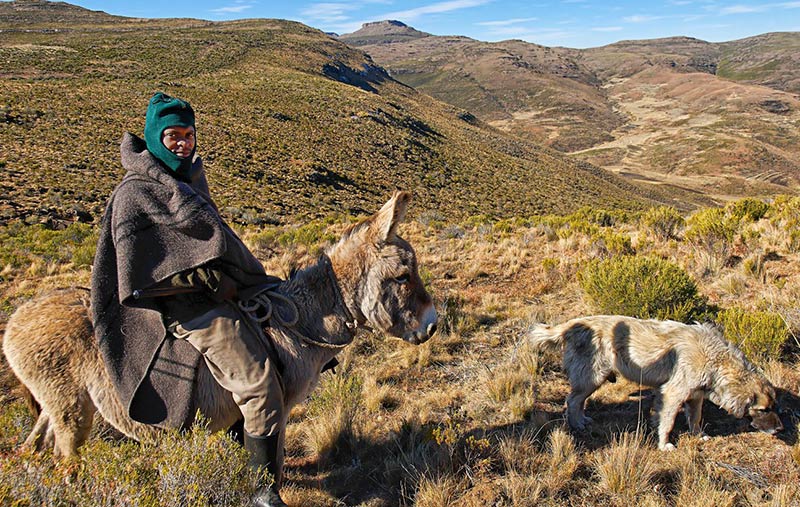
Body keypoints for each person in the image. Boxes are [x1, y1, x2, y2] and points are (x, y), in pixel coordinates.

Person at [91, 92, 286, 507]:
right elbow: (137, 272)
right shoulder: (135, 193)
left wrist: (236, 274)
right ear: (155, 138)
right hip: (184, 305)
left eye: (189, 134)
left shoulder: (188, 179)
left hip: (215, 291)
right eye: (173, 135)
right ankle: (263, 493)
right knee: (259, 383)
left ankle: (238, 461)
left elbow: (210, 241)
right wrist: (210, 282)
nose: (183, 143)